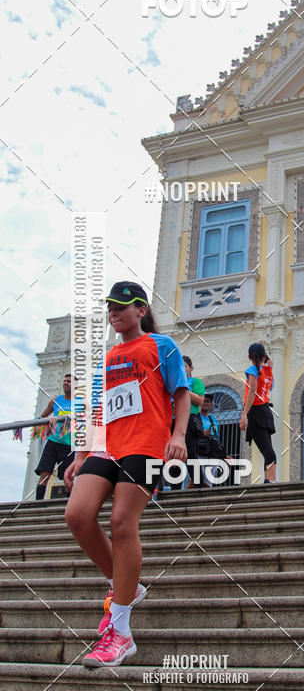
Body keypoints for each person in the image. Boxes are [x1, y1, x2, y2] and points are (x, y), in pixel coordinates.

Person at [63, 281, 190, 668]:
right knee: (78, 514)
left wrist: (179, 435)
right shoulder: (108, 357)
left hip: (147, 445)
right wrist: (81, 453)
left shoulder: (162, 346)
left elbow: (181, 393)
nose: (114, 312)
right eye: (111, 307)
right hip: (107, 445)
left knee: (121, 522)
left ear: (140, 309)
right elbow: (96, 409)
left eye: (122, 306)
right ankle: (127, 586)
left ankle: (119, 632)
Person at [240, 343, 277, 484]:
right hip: (266, 412)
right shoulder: (268, 371)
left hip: (256, 412)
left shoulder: (251, 369)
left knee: (267, 450)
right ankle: (270, 480)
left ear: (250, 357)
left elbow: (252, 391)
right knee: (268, 449)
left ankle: (270, 481)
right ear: (264, 356)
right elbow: (270, 386)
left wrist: (244, 413)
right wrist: (269, 366)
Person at [34, 374, 76, 500]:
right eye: (64, 381)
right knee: (45, 473)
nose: (66, 383)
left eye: (69, 381)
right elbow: (42, 417)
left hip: (69, 445)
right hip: (53, 442)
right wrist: (48, 421)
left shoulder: (80, 402)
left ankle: (69, 504)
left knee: (68, 477)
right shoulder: (55, 400)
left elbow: (90, 418)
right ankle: (38, 505)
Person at [181, 356, 205, 487]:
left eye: (184, 366)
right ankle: (174, 487)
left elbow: (200, 401)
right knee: (173, 456)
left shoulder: (194, 382)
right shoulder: (172, 382)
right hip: (173, 419)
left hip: (190, 419)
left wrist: (184, 389)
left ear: (191, 368)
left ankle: (198, 483)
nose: (181, 369)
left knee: (190, 452)